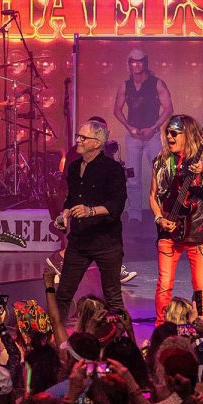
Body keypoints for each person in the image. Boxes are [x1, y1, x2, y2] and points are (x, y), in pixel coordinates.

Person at [53, 119, 128, 318]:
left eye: (83, 137)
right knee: (63, 294)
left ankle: (123, 335)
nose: (78, 140)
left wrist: (90, 211)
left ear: (96, 143)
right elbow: (72, 198)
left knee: (113, 298)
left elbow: (117, 205)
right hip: (79, 240)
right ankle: (57, 334)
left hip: (106, 242)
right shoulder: (73, 167)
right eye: (78, 136)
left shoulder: (112, 169)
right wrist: (65, 213)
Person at [149, 114, 203, 323]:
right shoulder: (161, 160)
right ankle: (162, 327)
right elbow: (153, 195)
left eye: (174, 133)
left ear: (187, 134)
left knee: (201, 286)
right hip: (169, 229)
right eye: (167, 133)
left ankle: (202, 325)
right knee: (164, 284)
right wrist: (159, 218)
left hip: (198, 231)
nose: (169, 137)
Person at [112, 48, 173, 223]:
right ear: (129, 64)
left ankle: (162, 211)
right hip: (133, 137)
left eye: (140, 61)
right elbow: (117, 110)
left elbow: (169, 108)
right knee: (132, 177)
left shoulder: (157, 83)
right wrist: (129, 127)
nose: (137, 65)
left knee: (161, 174)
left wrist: (154, 128)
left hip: (152, 136)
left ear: (145, 63)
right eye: (134, 61)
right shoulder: (125, 86)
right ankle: (134, 214)